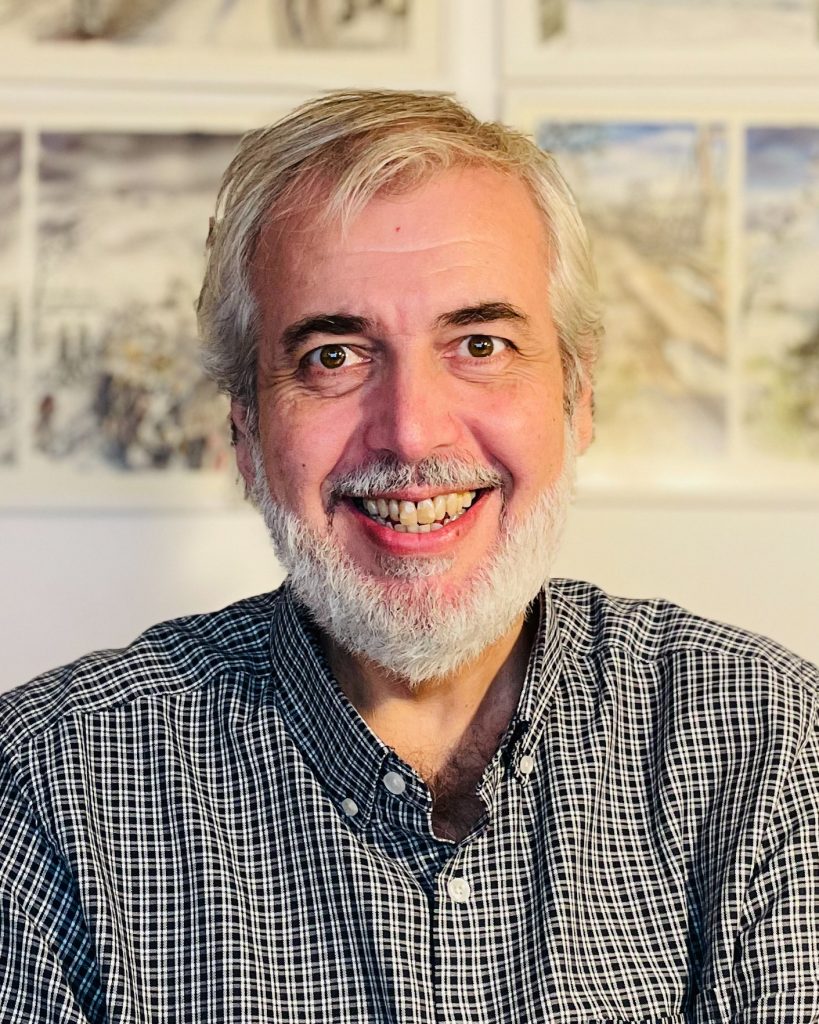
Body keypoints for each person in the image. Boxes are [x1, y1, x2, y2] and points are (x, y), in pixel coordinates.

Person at [1, 90, 817, 1023]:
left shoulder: (769, 749)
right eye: (333, 358)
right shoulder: (47, 792)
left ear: (577, 399)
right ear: (245, 430)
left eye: (480, 343)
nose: (411, 431)